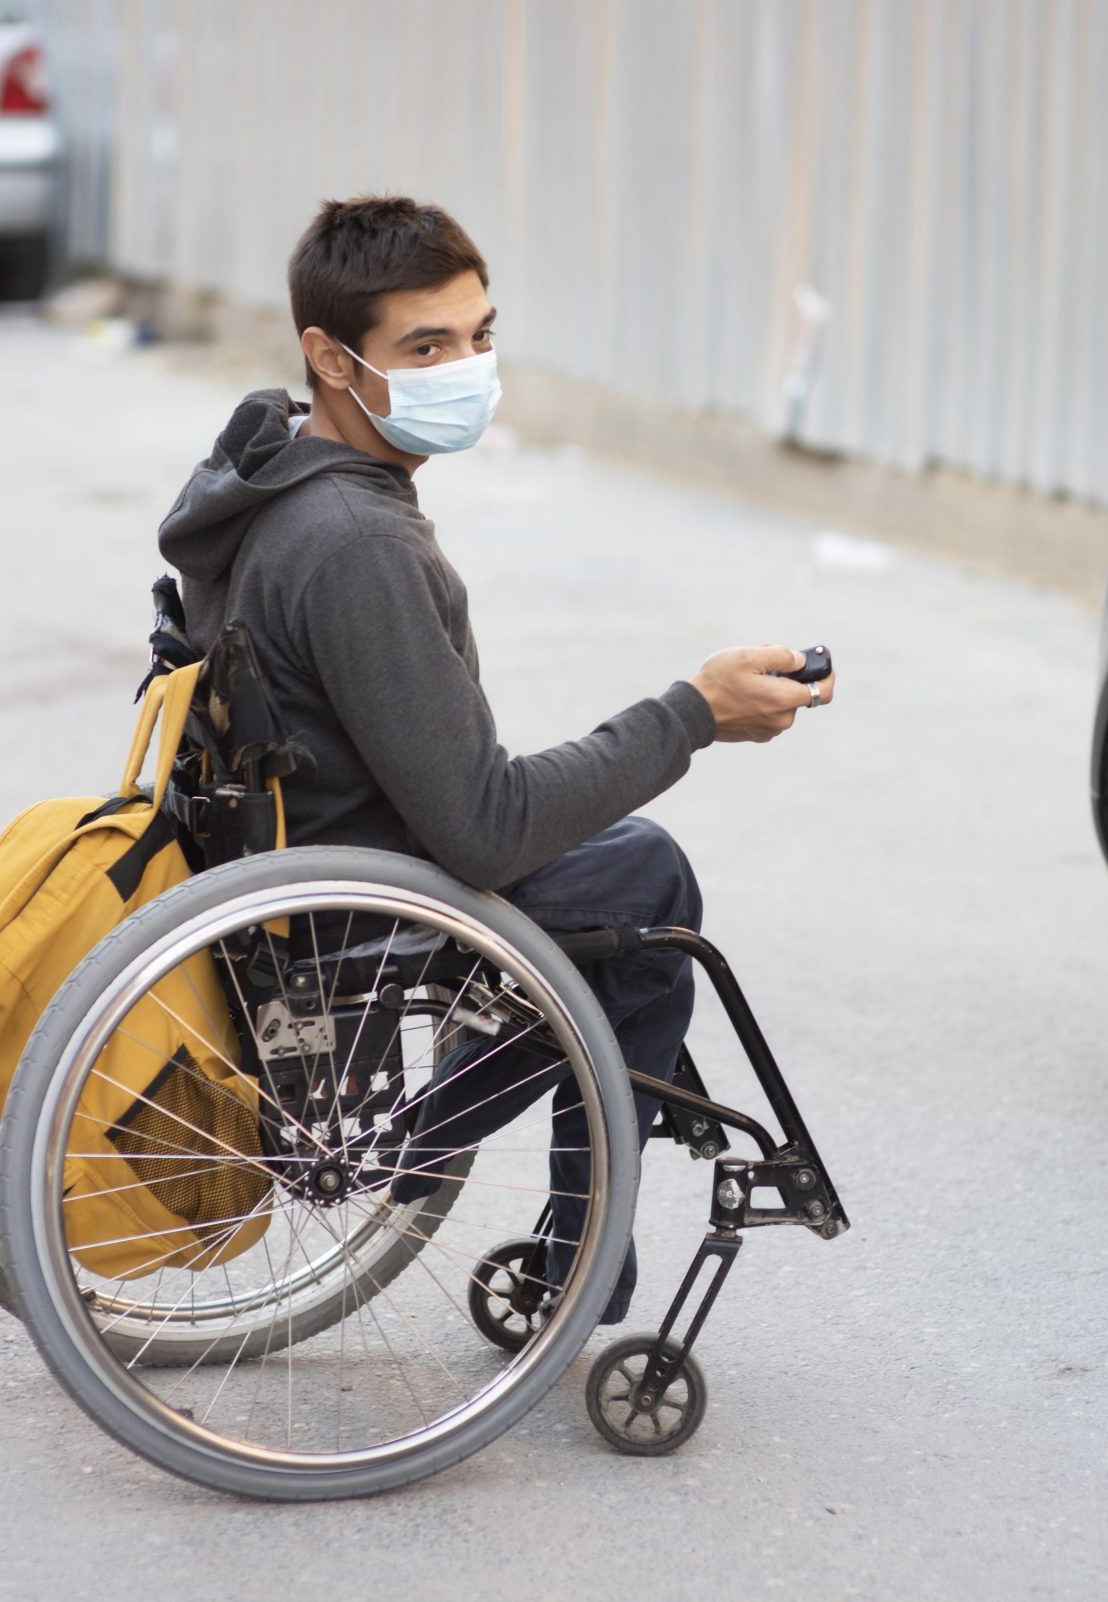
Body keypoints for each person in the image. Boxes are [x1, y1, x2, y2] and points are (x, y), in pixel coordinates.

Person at [156, 194, 835, 1323]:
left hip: (288, 842)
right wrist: (693, 713)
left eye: (480, 336)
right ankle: (461, 1186)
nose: (466, 367)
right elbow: (485, 828)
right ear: (332, 359)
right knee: (643, 877)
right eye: (425, 347)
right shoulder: (357, 543)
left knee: (611, 860)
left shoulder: (274, 472)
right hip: (354, 895)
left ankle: (557, 1188)